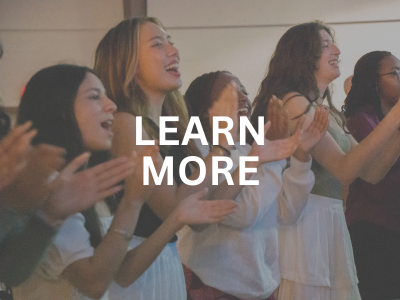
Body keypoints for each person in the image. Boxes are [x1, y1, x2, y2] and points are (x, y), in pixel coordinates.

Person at [251, 21, 400, 300]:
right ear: (302, 57)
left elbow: (371, 173)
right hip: (305, 225)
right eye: (325, 45)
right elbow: (344, 170)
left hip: (330, 222)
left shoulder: (325, 110)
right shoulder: (293, 102)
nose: (337, 50)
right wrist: (395, 115)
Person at [94, 18, 240, 300]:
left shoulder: (172, 127)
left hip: (165, 259)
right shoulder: (126, 123)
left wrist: (253, 162)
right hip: (135, 266)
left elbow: (200, 216)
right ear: (128, 63)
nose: (174, 51)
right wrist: (221, 146)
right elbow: (172, 207)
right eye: (158, 44)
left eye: (170, 41)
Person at [178, 71, 329, 300]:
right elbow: (241, 212)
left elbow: (286, 212)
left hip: (260, 287)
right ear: (204, 110)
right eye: (230, 92)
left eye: (244, 91)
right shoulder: (198, 153)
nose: (243, 98)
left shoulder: (247, 150)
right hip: (214, 287)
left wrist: (300, 158)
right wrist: (273, 156)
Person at [342, 51, 400, 300]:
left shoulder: (386, 120)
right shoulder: (359, 120)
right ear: (374, 82)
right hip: (371, 230)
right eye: (395, 73)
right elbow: (374, 180)